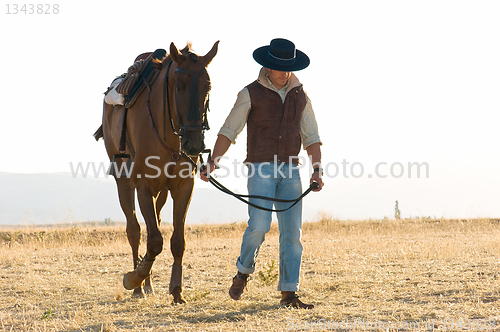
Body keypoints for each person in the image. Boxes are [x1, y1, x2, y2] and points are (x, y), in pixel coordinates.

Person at [201, 38, 323, 309]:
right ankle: (243, 271)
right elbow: (229, 130)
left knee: (292, 233)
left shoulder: (300, 95)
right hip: (261, 169)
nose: (284, 72)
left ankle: (289, 294)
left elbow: (311, 136)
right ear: (267, 66)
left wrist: (316, 169)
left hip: (292, 170)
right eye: (278, 66)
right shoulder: (250, 93)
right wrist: (212, 163)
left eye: (288, 67)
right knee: (260, 225)